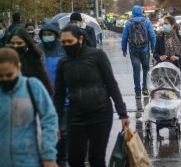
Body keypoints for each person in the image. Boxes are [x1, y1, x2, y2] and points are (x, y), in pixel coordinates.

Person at [54, 25, 130, 167]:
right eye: (63, 42)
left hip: (100, 113)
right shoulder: (63, 63)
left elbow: (111, 84)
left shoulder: (97, 56)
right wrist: (56, 122)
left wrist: (123, 113)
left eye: (69, 41)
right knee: (75, 159)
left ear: (80, 39)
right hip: (76, 116)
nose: (66, 46)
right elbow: (59, 95)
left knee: (96, 159)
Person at [0, 47, 58, 167]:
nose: (5, 79)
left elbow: (49, 120)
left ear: (18, 67)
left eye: (9, 75)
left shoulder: (32, 87)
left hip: (30, 160)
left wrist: (49, 155)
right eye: (0, 76)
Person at [38, 23, 68, 167]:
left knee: (62, 133)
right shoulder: (37, 50)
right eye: (45, 34)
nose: (47, 36)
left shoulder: (63, 49)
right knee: (47, 133)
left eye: (50, 34)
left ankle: (62, 160)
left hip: (63, 100)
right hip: (43, 100)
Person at [153, 16, 181, 122]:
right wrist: (159, 57)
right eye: (164, 24)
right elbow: (155, 52)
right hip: (165, 68)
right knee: (167, 91)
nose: (164, 25)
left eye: (166, 23)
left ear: (173, 25)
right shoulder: (160, 36)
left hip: (178, 67)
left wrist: (178, 57)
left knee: (179, 90)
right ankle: (169, 114)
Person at [121, 5, 156, 99]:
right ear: (141, 12)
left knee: (136, 71)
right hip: (145, 50)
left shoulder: (128, 22)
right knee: (145, 68)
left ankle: (137, 92)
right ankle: (145, 88)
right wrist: (153, 48)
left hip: (133, 50)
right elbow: (152, 35)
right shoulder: (147, 21)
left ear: (133, 12)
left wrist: (123, 49)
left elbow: (124, 37)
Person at [7, 28, 53, 95]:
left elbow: (44, 85)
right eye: (12, 43)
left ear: (27, 44)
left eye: (19, 43)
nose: (15, 46)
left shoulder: (34, 60)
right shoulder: (4, 60)